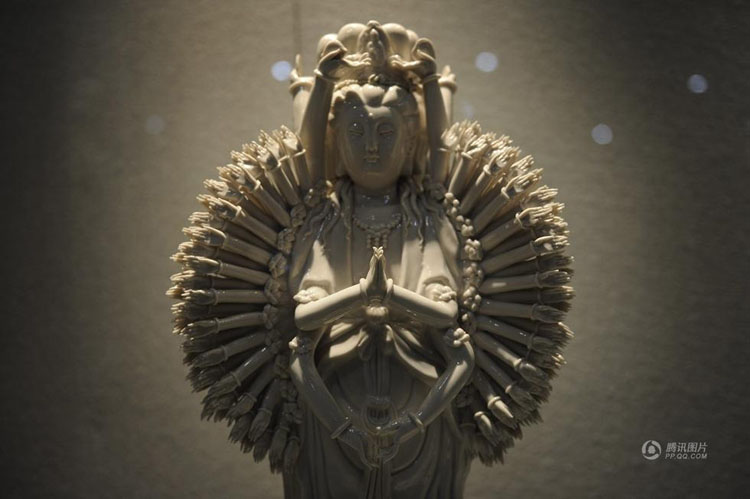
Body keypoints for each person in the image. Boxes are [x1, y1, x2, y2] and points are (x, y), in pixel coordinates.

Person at [285, 22, 475, 499]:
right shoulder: (327, 222)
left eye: (386, 131)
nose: (371, 146)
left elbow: (446, 313)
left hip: (419, 412)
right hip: (335, 412)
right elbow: (304, 319)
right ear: (336, 141)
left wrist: (383, 296)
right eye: (356, 131)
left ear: (410, 141)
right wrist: (363, 296)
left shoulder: (424, 221)